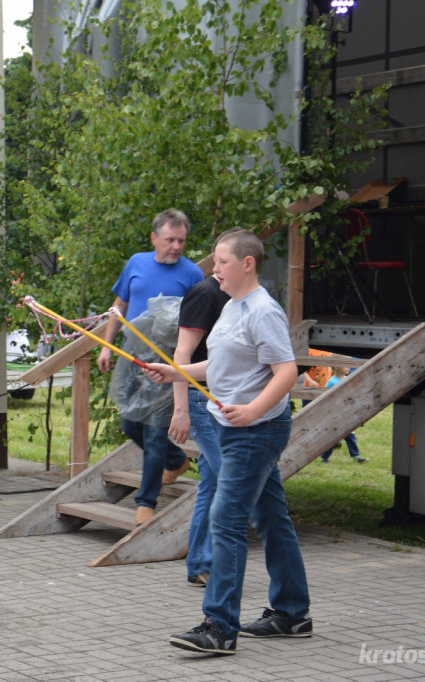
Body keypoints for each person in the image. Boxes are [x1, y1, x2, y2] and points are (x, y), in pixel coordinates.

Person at [144, 229, 312, 655]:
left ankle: (219, 627)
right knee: (271, 518)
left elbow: (287, 371)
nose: (214, 269)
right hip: (232, 427)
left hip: (256, 431)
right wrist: (174, 372)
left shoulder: (262, 311)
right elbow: (217, 364)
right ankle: (292, 613)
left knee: (226, 518)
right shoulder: (233, 307)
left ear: (247, 264)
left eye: (221, 262)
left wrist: (253, 410)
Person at [98, 209, 204, 525]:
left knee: (156, 433)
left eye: (181, 241)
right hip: (132, 357)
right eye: (170, 240)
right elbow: (119, 306)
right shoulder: (136, 263)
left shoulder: (192, 274)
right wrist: (106, 345)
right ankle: (176, 460)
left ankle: (145, 503)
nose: (176, 247)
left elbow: (201, 320)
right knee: (130, 422)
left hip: (168, 362)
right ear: (154, 238)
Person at [168, 228, 235, 587]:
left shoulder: (235, 296)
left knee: (211, 482)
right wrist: (181, 409)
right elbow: (182, 354)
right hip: (201, 396)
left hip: (225, 397)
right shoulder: (204, 293)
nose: (220, 267)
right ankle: (213, 563)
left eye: (227, 261)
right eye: (219, 260)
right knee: (229, 478)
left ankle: (200, 563)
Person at [320, 366, 367, 463]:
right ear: (337, 367)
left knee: (350, 435)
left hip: (346, 412)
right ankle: (325, 457)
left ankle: (356, 456)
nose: (348, 368)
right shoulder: (331, 382)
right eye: (345, 366)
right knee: (332, 436)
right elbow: (325, 398)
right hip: (335, 414)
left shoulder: (347, 379)